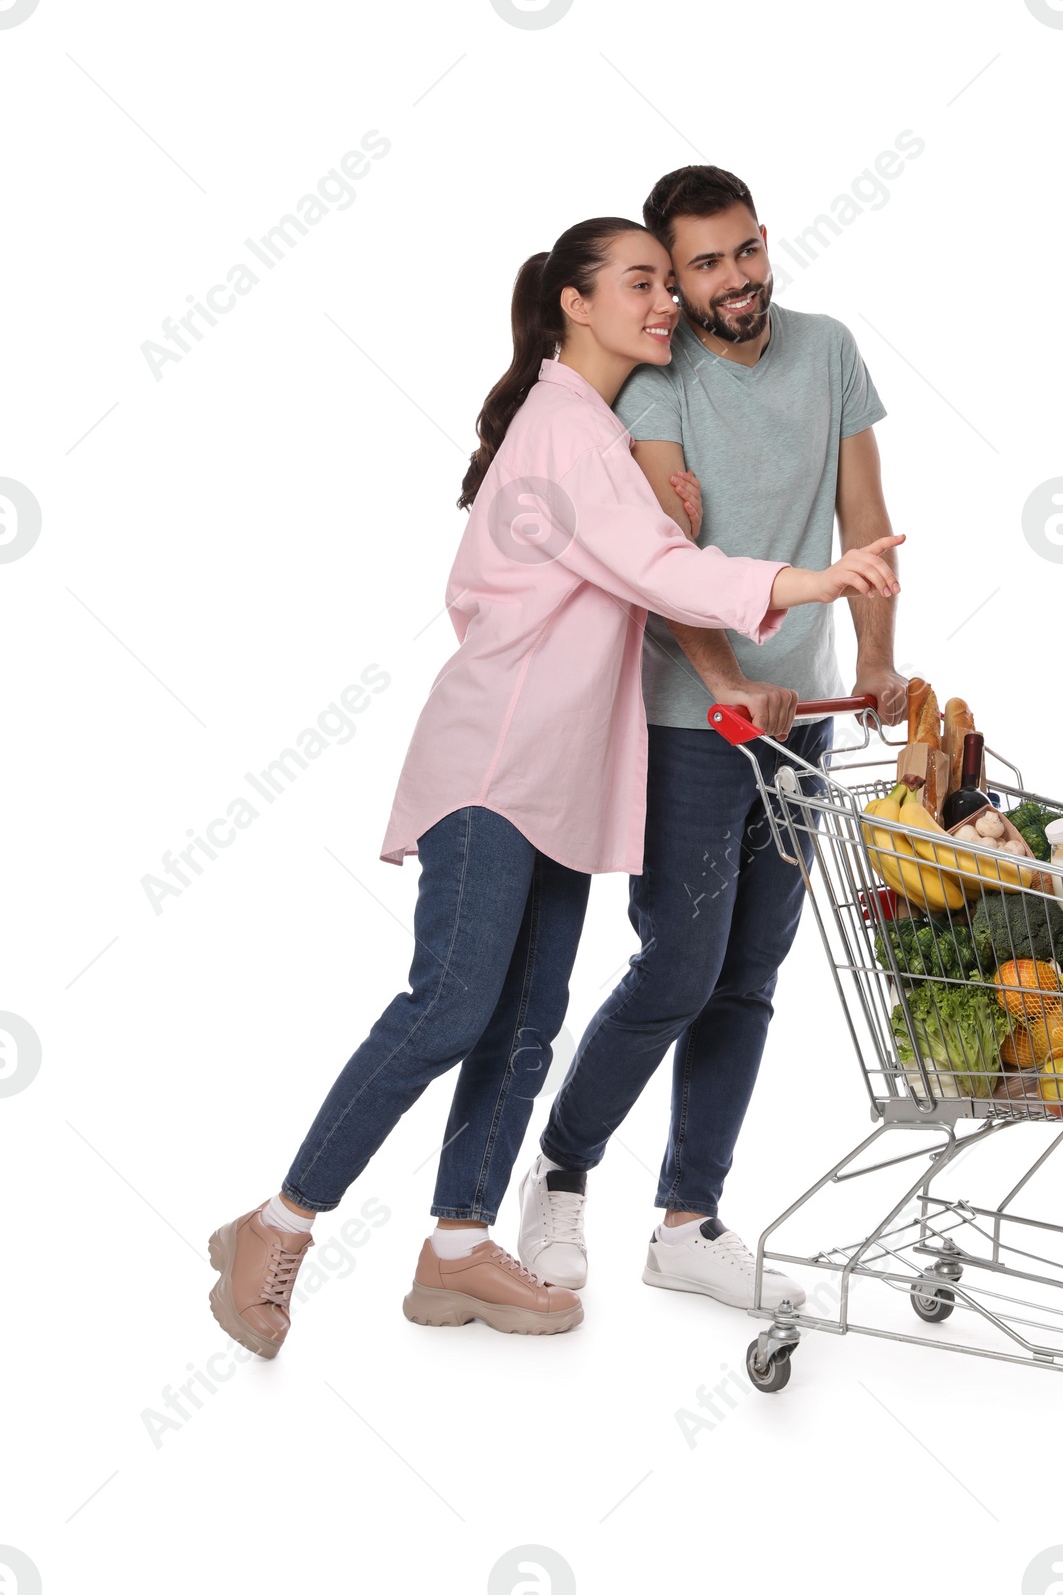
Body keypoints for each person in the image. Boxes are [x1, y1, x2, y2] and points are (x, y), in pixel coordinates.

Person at [207, 216, 902, 1359]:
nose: (666, 300)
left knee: (527, 1017)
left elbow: (654, 558)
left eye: (660, 283)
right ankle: (274, 1222)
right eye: (642, 282)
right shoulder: (564, 429)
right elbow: (661, 567)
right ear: (575, 303)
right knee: (447, 1006)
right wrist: (816, 577)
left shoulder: (590, 424)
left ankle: (457, 1247)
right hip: (494, 769)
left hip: (561, 780)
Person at [515, 167, 908, 1310]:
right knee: (676, 970)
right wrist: (730, 678)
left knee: (748, 978)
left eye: (745, 252)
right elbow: (660, 556)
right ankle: (562, 1173)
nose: (734, 280)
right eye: (704, 266)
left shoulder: (829, 349)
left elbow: (866, 523)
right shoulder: (659, 378)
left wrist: (873, 661)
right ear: (674, 286)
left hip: (802, 725)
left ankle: (689, 1219)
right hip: (689, 721)